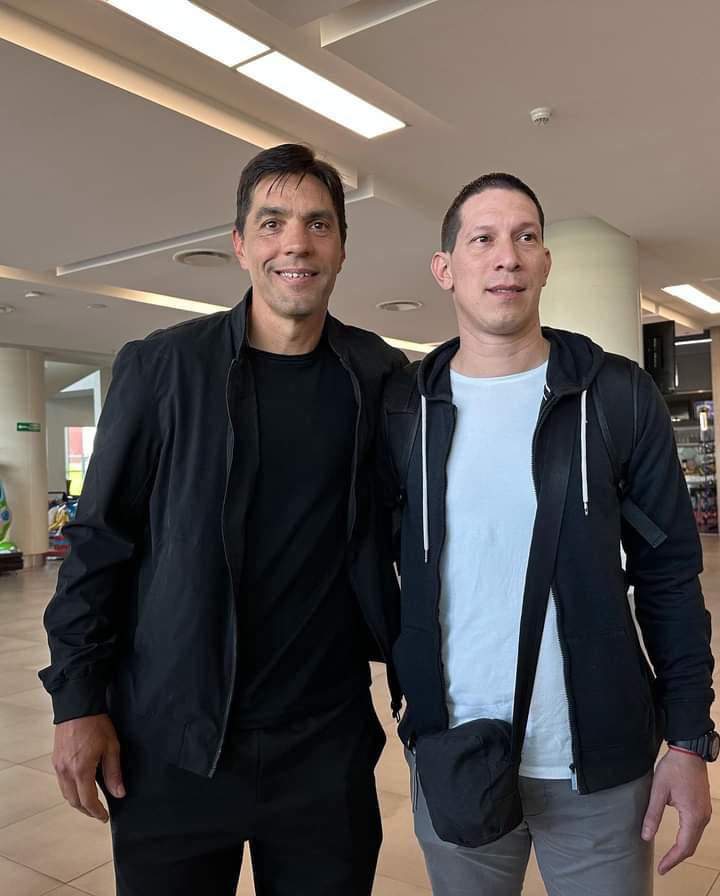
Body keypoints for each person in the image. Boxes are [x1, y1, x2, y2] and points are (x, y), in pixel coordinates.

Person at [40, 143, 405, 896]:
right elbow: (99, 541)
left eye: (317, 224)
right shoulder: (163, 369)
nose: (295, 243)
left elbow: (416, 530)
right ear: (240, 244)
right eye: (272, 223)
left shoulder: (378, 375)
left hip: (322, 745)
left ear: (340, 245)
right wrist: (77, 702)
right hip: (171, 741)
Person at [382, 173, 717, 895]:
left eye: (526, 237)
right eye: (483, 239)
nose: (507, 256)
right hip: (453, 753)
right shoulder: (404, 408)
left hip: (597, 761)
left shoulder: (617, 395)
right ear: (446, 269)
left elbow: (669, 576)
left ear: (545, 262)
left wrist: (689, 739)